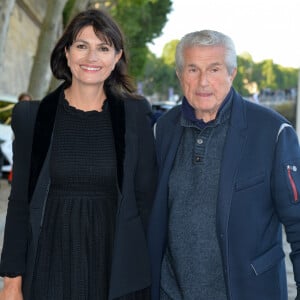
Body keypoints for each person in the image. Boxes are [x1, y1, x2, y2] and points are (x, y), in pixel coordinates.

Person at [0, 9, 157, 300]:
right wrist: (11, 281)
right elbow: (20, 200)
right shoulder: (32, 117)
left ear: (116, 57)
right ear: (67, 53)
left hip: (115, 266)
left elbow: (147, 201)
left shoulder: (135, 115)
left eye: (103, 48)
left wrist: (151, 278)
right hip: (49, 264)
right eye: (82, 46)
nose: (91, 57)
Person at [148, 29, 300, 300]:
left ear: (232, 74)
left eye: (214, 69)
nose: (203, 81)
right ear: (180, 75)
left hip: (248, 291)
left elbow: (298, 224)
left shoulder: (273, 131)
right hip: (170, 293)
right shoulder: (163, 129)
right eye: (193, 69)